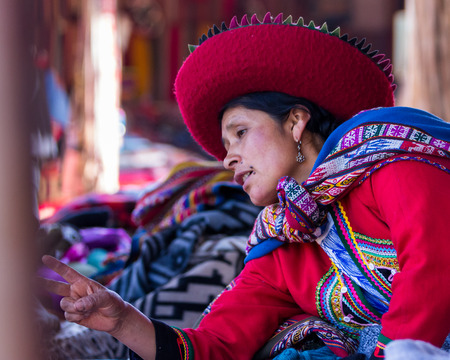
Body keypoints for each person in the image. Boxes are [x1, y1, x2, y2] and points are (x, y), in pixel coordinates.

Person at [41, 12, 450, 360]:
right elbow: (217, 347)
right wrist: (124, 320)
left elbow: (436, 259)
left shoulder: (394, 163)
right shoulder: (282, 248)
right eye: (224, 145)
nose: (227, 158)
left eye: (239, 133)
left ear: (295, 122)